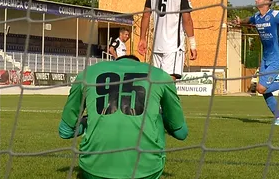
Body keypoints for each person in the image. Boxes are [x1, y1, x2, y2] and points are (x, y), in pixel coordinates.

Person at [58, 55, 188, 179]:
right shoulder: (160, 75)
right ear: (138, 63)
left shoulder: (87, 73)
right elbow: (181, 133)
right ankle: (148, 160)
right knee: (157, 116)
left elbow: (65, 132)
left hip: (93, 170)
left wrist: (87, 122)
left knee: (92, 119)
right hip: (146, 172)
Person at [138, 0, 197, 80]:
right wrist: (192, 44)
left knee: (158, 82)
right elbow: (187, 20)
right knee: (169, 81)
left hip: (157, 45)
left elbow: (146, 15)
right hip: (173, 46)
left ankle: (155, 101)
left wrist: (142, 38)